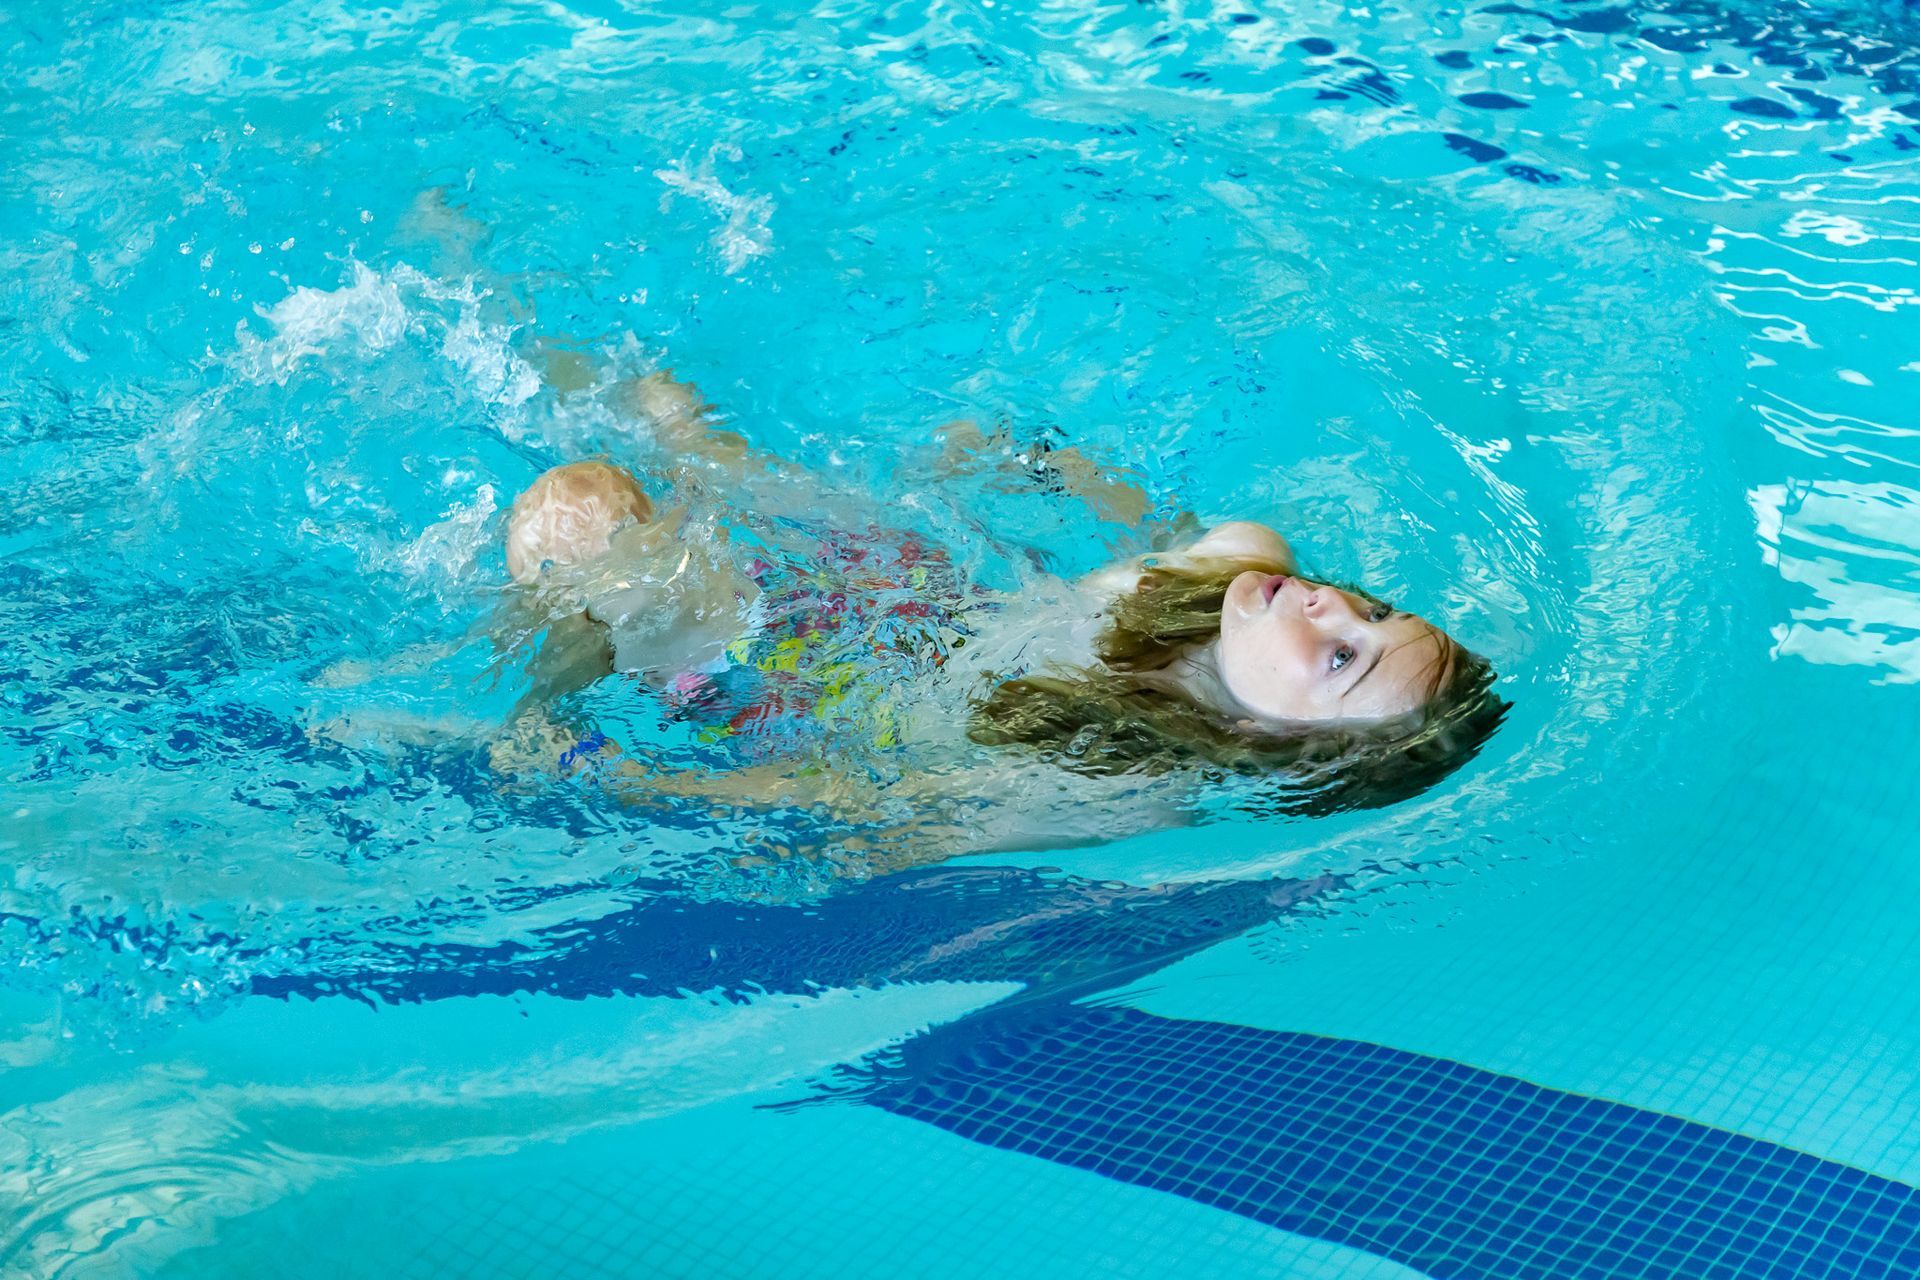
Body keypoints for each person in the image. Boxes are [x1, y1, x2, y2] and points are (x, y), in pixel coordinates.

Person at [489, 370, 1506, 863]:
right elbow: (1142, 515)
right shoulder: (1241, 560)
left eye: (1339, 658)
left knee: (578, 511)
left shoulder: (1120, 788)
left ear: (1274, 744)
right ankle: (497, 295)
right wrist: (1029, 461)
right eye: (1373, 609)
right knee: (676, 410)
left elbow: (860, 807)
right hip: (900, 583)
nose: (1334, 604)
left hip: (801, 685)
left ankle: (547, 634)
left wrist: (629, 777)